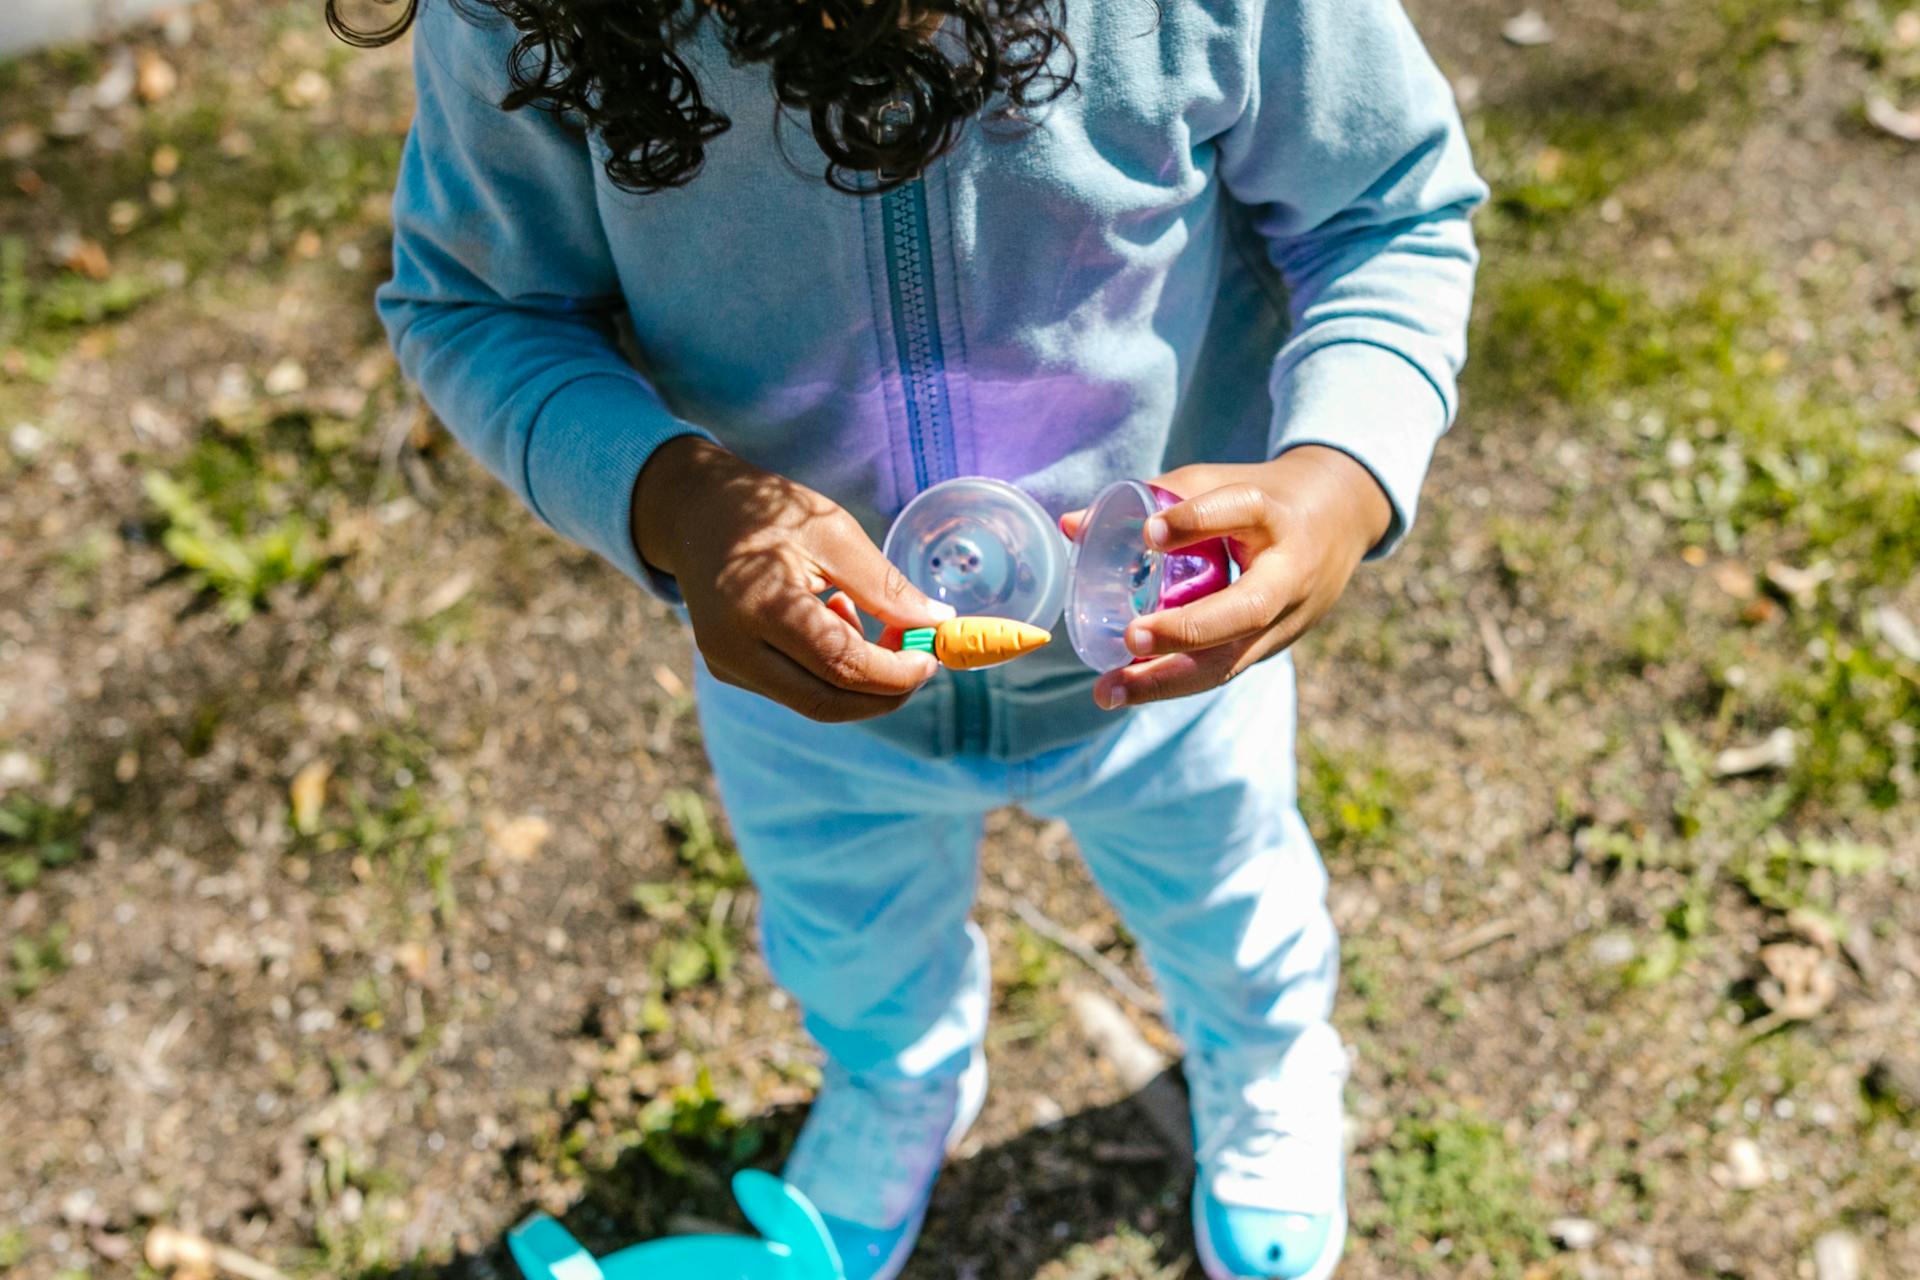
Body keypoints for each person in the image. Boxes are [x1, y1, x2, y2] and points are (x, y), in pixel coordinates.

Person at [347, 0, 1484, 1273]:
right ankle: (899, 1075)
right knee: (847, 929)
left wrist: (1340, 476)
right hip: (804, 675)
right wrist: (677, 502)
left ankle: (1267, 1049)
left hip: (1164, 650)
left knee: (1230, 891)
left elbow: (1386, 211)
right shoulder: (528, 18)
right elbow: (474, 302)